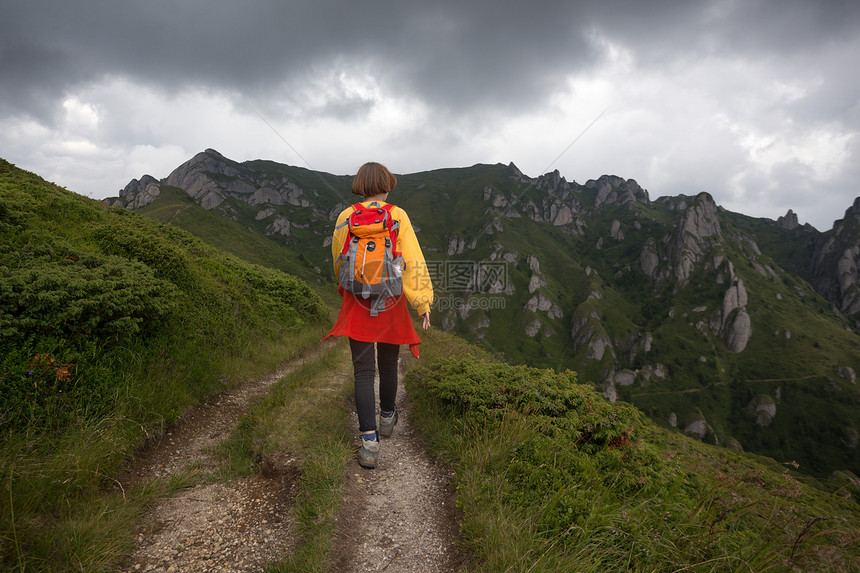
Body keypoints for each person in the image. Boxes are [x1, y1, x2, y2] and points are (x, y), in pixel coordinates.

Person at [323, 162, 433, 469]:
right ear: (388, 184)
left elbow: (338, 257)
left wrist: (347, 287)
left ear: (359, 184)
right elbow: (412, 260)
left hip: (357, 299)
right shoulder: (397, 216)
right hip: (391, 300)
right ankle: (387, 418)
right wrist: (422, 303)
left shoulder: (346, 217)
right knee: (388, 365)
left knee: (363, 372)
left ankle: (369, 444)